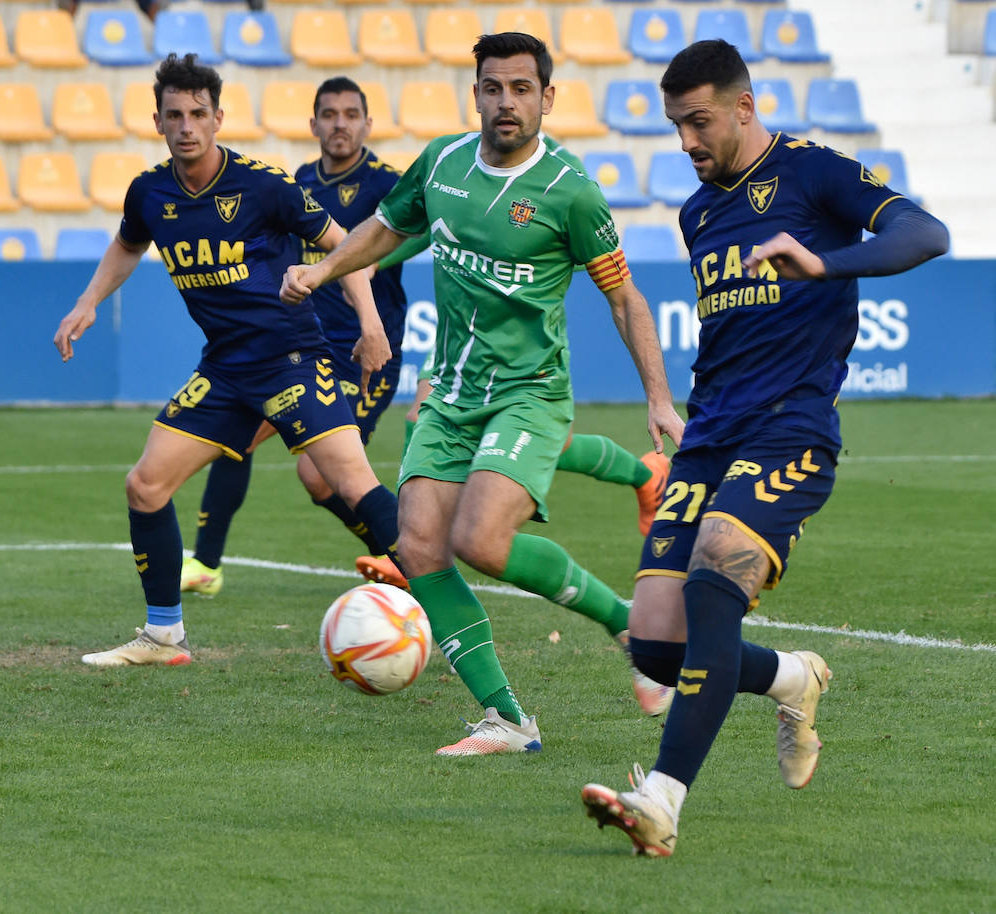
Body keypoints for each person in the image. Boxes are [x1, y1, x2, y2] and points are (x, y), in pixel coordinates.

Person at [579, 40, 949, 856]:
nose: (685, 143)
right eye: (676, 126)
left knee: (716, 578)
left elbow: (927, 234)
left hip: (791, 428)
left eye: (699, 123)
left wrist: (825, 262)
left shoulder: (816, 174)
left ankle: (663, 800)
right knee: (656, 644)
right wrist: (670, 406)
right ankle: (791, 676)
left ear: (744, 108)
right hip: (710, 434)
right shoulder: (697, 212)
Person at [282, 33, 683, 755]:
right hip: (451, 392)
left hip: (528, 393)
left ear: (547, 98)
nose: (506, 102)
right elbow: (384, 229)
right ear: (476, 95)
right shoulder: (443, 163)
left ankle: (628, 622)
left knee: (481, 541)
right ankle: (507, 719)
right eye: (493, 88)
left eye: (521, 89)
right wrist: (322, 270)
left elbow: (625, 299)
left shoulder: (571, 191)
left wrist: (658, 398)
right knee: (421, 548)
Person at [53, 54, 401, 667]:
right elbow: (128, 243)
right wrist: (87, 303)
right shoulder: (150, 191)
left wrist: (371, 328)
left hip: (293, 358)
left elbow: (349, 250)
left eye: (198, 114)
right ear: (157, 122)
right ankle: (163, 636)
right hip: (225, 368)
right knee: (145, 486)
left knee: (348, 482)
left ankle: (443, 605)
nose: (186, 126)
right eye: (174, 115)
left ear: (219, 118)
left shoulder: (265, 185)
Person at [180, 75, 410, 598]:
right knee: (238, 441)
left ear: (367, 124)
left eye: (351, 115)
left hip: (364, 351)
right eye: (329, 115)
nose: (340, 124)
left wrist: (372, 258)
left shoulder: (385, 183)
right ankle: (207, 565)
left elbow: (421, 232)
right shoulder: (301, 180)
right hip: (302, 346)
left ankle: (403, 550)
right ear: (314, 124)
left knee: (319, 475)